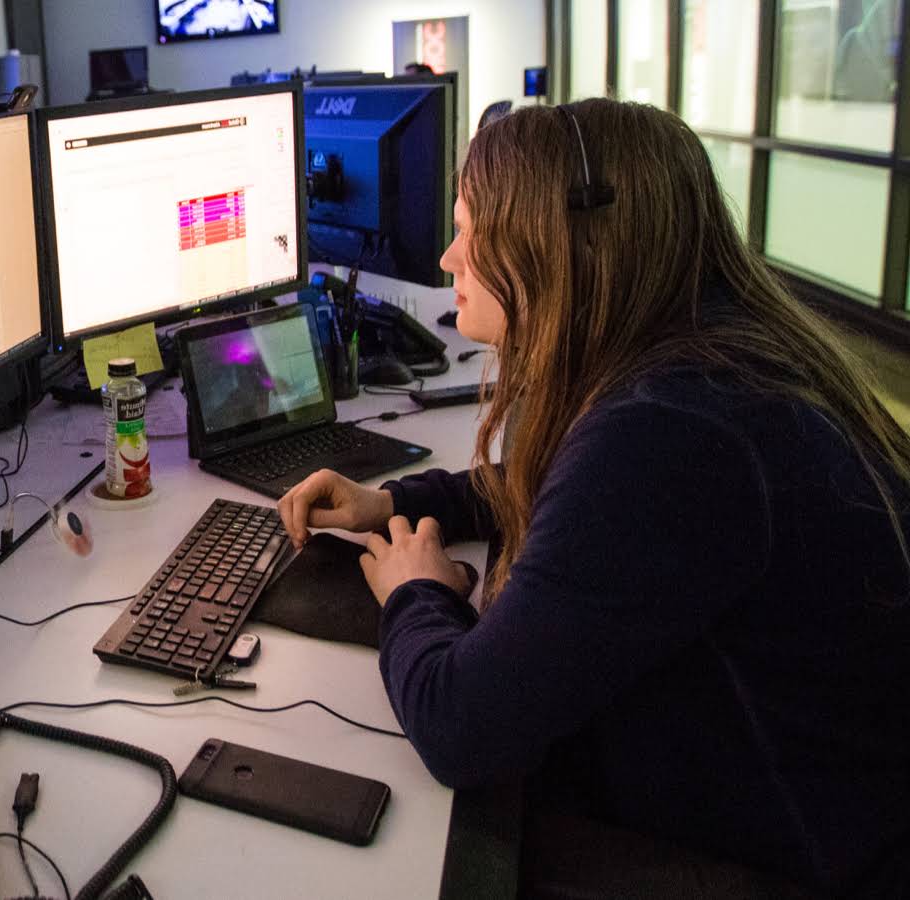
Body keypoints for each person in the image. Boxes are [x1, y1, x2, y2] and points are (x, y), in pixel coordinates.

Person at [277, 98, 910, 898]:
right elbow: (564, 492)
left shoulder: (671, 433)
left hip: (780, 860)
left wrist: (415, 594)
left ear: (559, 247)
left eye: (473, 231)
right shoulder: (706, 361)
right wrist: (392, 501)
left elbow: (461, 729)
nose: (446, 258)